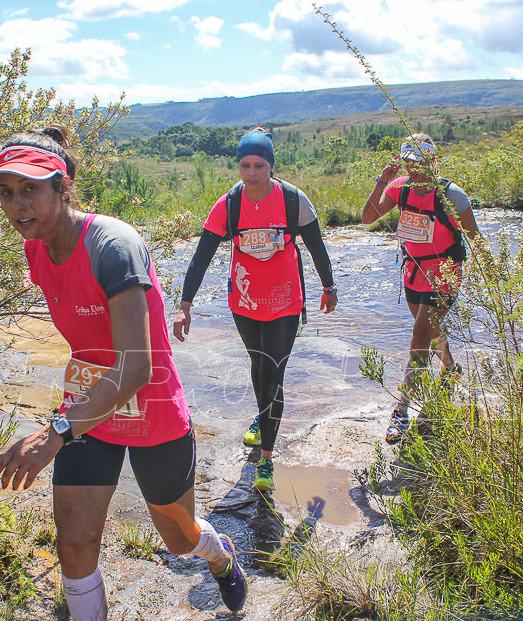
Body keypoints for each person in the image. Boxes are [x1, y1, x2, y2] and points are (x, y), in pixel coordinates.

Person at [0, 127, 247, 621]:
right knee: (75, 544)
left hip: (149, 409)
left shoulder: (114, 247)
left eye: (30, 189)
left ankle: (218, 553)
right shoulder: (34, 246)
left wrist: (56, 431)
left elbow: (135, 366)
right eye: (7, 191)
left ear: (64, 189)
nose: (17, 206)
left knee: (177, 540)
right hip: (88, 409)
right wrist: (70, 421)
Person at [173, 128, 337, 493]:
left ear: (271, 166)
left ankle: (266, 458)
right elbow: (202, 257)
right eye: (245, 165)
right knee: (258, 364)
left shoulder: (294, 201)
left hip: (285, 301)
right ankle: (262, 418)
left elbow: (315, 246)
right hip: (245, 303)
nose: (251, 173)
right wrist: (185, 305)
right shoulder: (229, 205)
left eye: (259, 165)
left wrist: (328, 286)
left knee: (273, 369)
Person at [360, 133, 482, 444]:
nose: (414, 168)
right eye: (408, 162)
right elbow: (367, 218)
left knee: (418, 337)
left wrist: (488, 276)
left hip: (444, 271)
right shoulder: (398, 187)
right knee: (430, 332)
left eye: (420, 162)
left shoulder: (452, 195)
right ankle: (452, 368)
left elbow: (475, 237)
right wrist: (380, 181)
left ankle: (401, 411)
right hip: (414, 271)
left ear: (432, 160)